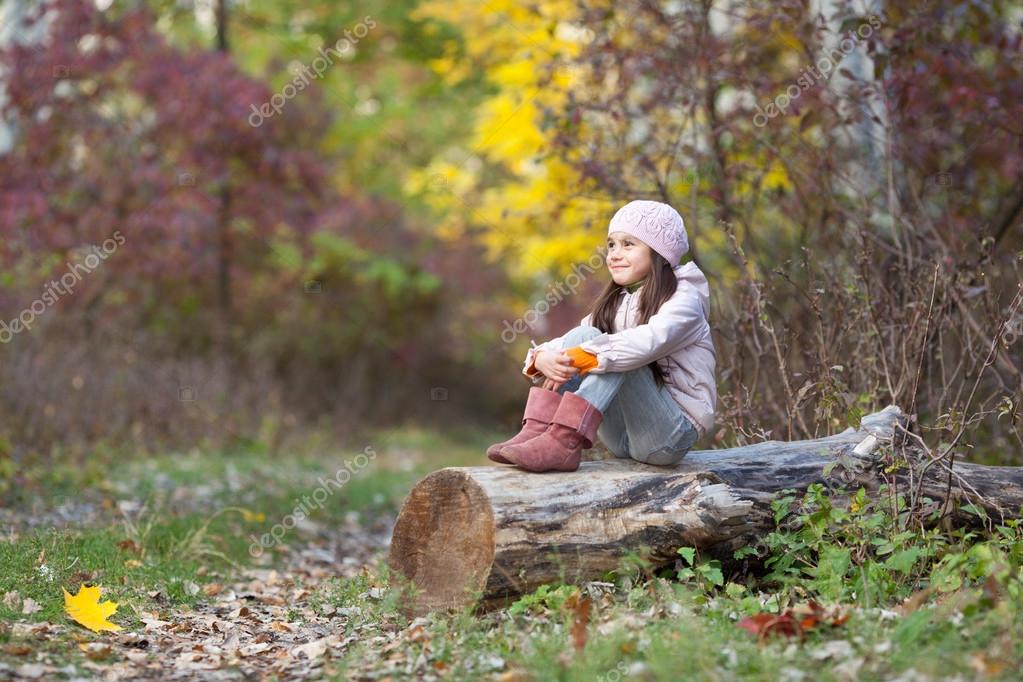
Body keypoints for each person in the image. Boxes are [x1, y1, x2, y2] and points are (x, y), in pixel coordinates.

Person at [487, 199, 717, 473]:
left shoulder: (684, 299)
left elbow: (647, 342)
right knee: (585, 335)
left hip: (668, 436)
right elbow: (574, 343)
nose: (614, 254)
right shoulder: (617, 301)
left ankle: (563, 441)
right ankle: (538, 430)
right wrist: (542, 358)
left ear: (659, 251)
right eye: (611, 244)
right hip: (622, 438)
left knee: (615, 352)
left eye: (628, 244)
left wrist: (586, 356)